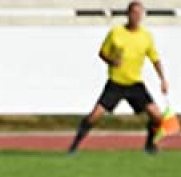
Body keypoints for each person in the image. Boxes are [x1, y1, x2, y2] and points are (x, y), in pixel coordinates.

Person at [69, 1, 169, 154]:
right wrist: (111, 61)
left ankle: (150, 145)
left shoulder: (146, 36)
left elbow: (155, 59)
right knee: (94, 116)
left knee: (157, 117)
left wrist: (162, 79)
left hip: (135, 84)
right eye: (134, 13)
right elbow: (102, 52)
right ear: (128, 14)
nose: (137, 17)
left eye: (139, 14)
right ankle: (74, 146)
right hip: (116, 83)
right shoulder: (116, 32)